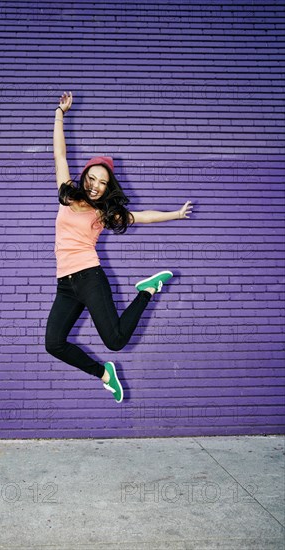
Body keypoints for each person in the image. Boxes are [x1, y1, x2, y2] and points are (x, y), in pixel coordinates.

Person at [45, 91, 193, 403]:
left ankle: (147, 290)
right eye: (92, 178)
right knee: (54, 343)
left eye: (102, 182)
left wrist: (176, 214)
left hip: (89, 277)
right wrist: (60, 114)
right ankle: (104, 374)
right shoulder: (68, 196)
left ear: (107, 188)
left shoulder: (103, 213)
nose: (95, 184)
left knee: (115, 340)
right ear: (84, 177)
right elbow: (60, 155)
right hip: (65, 284)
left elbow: (142, 216)